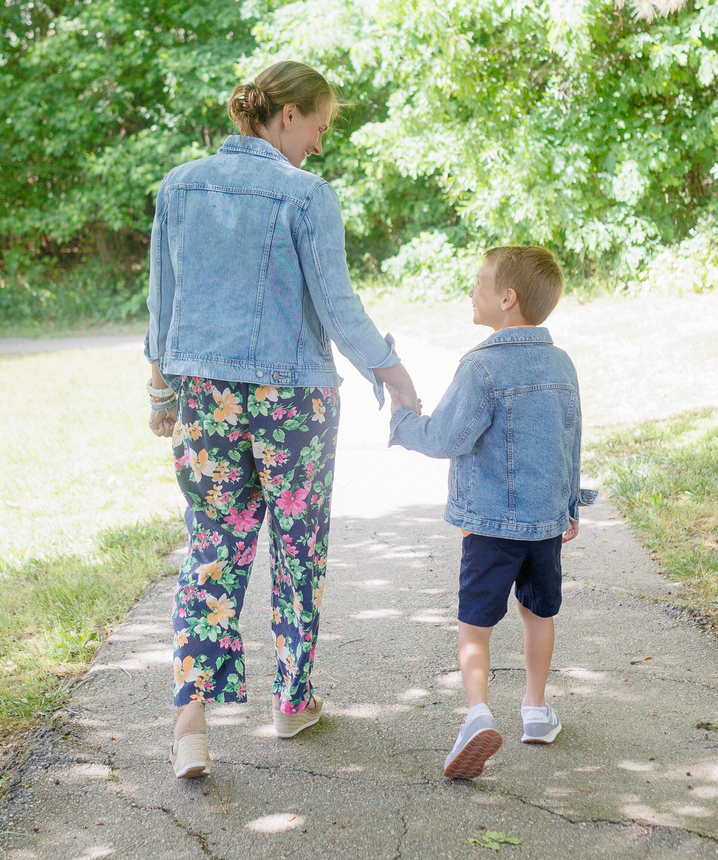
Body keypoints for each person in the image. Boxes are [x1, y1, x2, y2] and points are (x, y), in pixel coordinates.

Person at [144, 60, 419, 779]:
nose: (320, 145)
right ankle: (291, 701)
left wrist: (162, 396)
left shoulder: (179, 186)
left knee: (212, 550)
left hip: (206, 398)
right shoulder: (304, 194)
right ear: (288, 115)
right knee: (298, 551)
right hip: (292, 401)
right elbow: (337, 305)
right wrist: (390, 369)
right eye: (319, 127)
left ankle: (189, 725)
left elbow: (161, 307)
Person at [387, 246, 596, 779]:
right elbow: (571, 439)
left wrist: (405, 421)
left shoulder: (480, 365)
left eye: (480, 283)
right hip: (546, 524)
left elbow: (447, 437)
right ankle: (534, 710)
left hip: (488, 526)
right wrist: (570, 505)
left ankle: (477, 713)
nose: (472, 292)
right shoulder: (562, 363)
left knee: (475, 625)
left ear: (507, 298)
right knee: (539, 613)